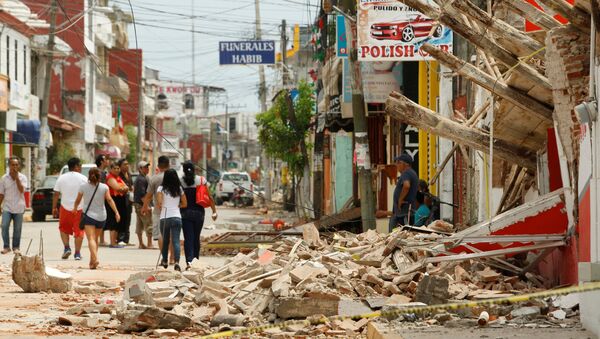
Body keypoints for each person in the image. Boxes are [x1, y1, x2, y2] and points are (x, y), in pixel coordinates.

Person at [73, 168, 120, 269]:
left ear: (89, 176)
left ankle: (95, 259)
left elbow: (78, 200)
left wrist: (75, 208)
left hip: (89, 215)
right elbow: (109, 200)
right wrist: (116, 212)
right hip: (101, 216)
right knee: (95, 239)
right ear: (100, 176)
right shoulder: (104, 187)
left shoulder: (83, 186)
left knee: (91, 239)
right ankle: (92, 263)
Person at [180, 161, 217, 269]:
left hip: (185, 213)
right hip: (199, 214)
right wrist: (214, 211)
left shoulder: (180, 182)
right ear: (194, 169)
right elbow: (209, 197)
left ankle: (189, 262)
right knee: (196, 238)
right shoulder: (201, 180)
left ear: (183, 170)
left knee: (188, 238)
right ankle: (195, 261)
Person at [53, 157, 88, 260]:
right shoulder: (83, 178)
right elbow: (87, 193)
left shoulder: (61, 178)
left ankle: (67, 248)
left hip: (65, 207)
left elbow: (56, 194)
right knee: (79, 231)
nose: (81, 167)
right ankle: (77, 254)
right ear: (76, 166)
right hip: (79, 208)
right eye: (80, 165)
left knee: (63, 228)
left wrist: (54, 207)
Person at [142, 156, 174, 263]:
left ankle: (164, 257)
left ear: (158, 166)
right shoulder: (174, 177)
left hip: (158, 211)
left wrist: (144, 207)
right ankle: (172, 258)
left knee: (160, 235)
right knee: (171, 234)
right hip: (172, 210)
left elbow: (149, 195)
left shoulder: (154, 178)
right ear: (168, 165)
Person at [156, 169, 187, 271]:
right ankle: (177, 262)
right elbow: (185, 204)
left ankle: (165, 260)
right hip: (176, 217)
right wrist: (178, 205)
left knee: (165, 241)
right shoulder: (179, 189)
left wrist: (162, 204)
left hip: (165, 217)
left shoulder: (161, 189)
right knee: (176, 241)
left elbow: (160, 204)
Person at [0, 157, 28, 254]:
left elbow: (21, 190)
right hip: (7, 207)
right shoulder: (4, 178)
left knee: (17, 229)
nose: (15, 167)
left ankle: (16, 247)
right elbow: (1, 194)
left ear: (19, 166)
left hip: (19, 207)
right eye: (13, 165)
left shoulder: (23, 177)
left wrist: (17, 179)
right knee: (4, 225)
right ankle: (6, 246)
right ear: (9, 166)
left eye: (16, 165)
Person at [389, 153, 418, 231]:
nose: (396, 165)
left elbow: (406, 186)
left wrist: (400, 199)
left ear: (405, 164)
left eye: (398, 162)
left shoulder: (406, 172)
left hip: (404, 212)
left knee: (401, 233)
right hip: (403, 212)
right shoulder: (411, 173)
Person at [105, 163, 129, 248]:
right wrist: (122, 188)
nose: (117, 170)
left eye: (118, 168)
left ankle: (115, 241)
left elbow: (127, 187)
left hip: (119, 201)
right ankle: (112, 243)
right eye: (114, 168)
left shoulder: (118, 177)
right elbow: (117, 188)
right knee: (113, 221)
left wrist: (123, 188)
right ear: (111, 169)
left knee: (118, 222)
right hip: (113, 201)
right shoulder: (110, 177)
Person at [133, 161, 153, 249]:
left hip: (139, 204)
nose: (147, 169)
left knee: (140, 224)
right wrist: (146, 206)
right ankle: (149, 243)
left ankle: (141, 243)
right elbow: (142, 194)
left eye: (147, 167)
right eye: (145, 167)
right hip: (141, 204)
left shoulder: (142, 178)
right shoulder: (141, 179)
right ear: (140, 169)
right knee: (148, 223)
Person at [117, 158, 133, 246]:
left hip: (129, 201)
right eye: (124, 164)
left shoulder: (129, 175)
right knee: (122, 220)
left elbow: (131, 186)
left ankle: (126, 239)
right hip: (121, 200)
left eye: (127, 164)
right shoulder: (118, 176)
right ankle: (120, 238)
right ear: (120, 166)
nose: (127, 166)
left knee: (128, 220)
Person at [95, 154, 110, 246]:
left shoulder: (99, 171)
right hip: (100, 198)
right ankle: (100, 240)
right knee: (100, 218)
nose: (107, 161)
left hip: (97, 198)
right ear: (101, 161)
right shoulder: (101, 173)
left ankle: (101, 239)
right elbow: (102, 187)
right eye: (106, 160)